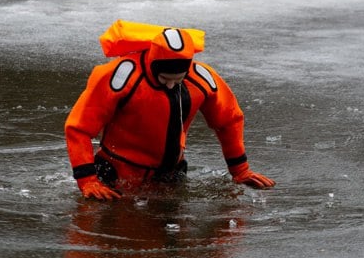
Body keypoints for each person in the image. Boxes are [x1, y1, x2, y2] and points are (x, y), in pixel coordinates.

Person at [65, 20, 275, 200]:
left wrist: (240, 170)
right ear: (152, 63)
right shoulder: (119, 77)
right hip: (115, 175)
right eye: (164, 79)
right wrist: (87, 180)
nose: (171, 85)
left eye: (178, 80)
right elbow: (78, 127)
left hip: (172, 175)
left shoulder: (202, 78)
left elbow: (229, 120)